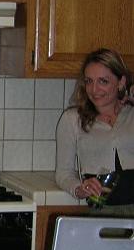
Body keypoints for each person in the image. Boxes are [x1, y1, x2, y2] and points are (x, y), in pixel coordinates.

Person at [55, 48, 134, 204]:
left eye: (103, 81)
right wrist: (80, 188)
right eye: (89, 81)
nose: (94, 90)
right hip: (102, 211)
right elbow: (63, 174)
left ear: (121, 82)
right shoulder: (72, 119)